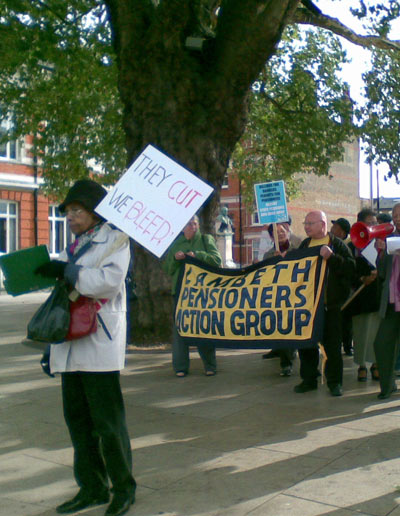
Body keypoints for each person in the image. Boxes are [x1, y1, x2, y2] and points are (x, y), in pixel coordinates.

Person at [35, 179, 136, 516]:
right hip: (69, 345)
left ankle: (123, 488)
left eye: (76, 210)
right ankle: (91, 487)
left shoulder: (116, 241)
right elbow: (63, 289)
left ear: (94, 212)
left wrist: (67, 270)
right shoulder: (75, 246)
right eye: (67, 211)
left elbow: (107, 282)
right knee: (78, 423)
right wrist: (50, 348)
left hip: (98, 344)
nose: (70, 217)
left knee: (108, 424)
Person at [294, 210, 355, 397]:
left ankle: (335, 382)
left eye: (310, 223)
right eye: (305, 223)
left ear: (322, 224)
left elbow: (351, 269)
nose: (306, 227)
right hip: (308, 306)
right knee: (306, 344)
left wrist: (332, 258)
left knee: (332, 346)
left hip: (331, 305)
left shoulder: (337, 245)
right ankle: (309, 379)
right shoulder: (305, 245)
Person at [163, 215, 222, 377]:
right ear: (182, 227)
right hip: (181, 292)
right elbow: (168, 269)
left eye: (195, 223)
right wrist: (175, 259)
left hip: (201, 292)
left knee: (203, 327)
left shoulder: (205, 239)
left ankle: (210, 365)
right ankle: (180, 367)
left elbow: (217, 260)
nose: (193, 227)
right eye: (189, 224)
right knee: (179, 329)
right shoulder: (176, 244)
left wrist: (198, 255)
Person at [261, 219, 301, 375]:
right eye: (276, 233)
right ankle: (285, 363)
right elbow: (265, 275)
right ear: (272, 238)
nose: (281, 234)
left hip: (296, 296)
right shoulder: (268, 255)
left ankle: (291, 352)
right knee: (281, 327)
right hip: (277, 298)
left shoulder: (298, 250)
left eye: (283, 231)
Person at [345, 208, 380, 382]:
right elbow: (347, 272)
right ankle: (361, 366)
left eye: (375, 223)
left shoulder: (380, 244)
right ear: (360, 224)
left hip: (376, 296)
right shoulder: (351, 246)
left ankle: (375, 364)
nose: (372, 226)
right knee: (360, 333)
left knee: (375, 332)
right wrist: (361, 278)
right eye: (369, 222)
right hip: (358, 299)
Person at [373, 203, 400, 399]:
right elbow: (382, 273)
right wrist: (381, 253)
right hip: (391, 301)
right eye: (394, 215)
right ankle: (387, 386)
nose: (397, 217)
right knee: (381, 343)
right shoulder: (389, 238)